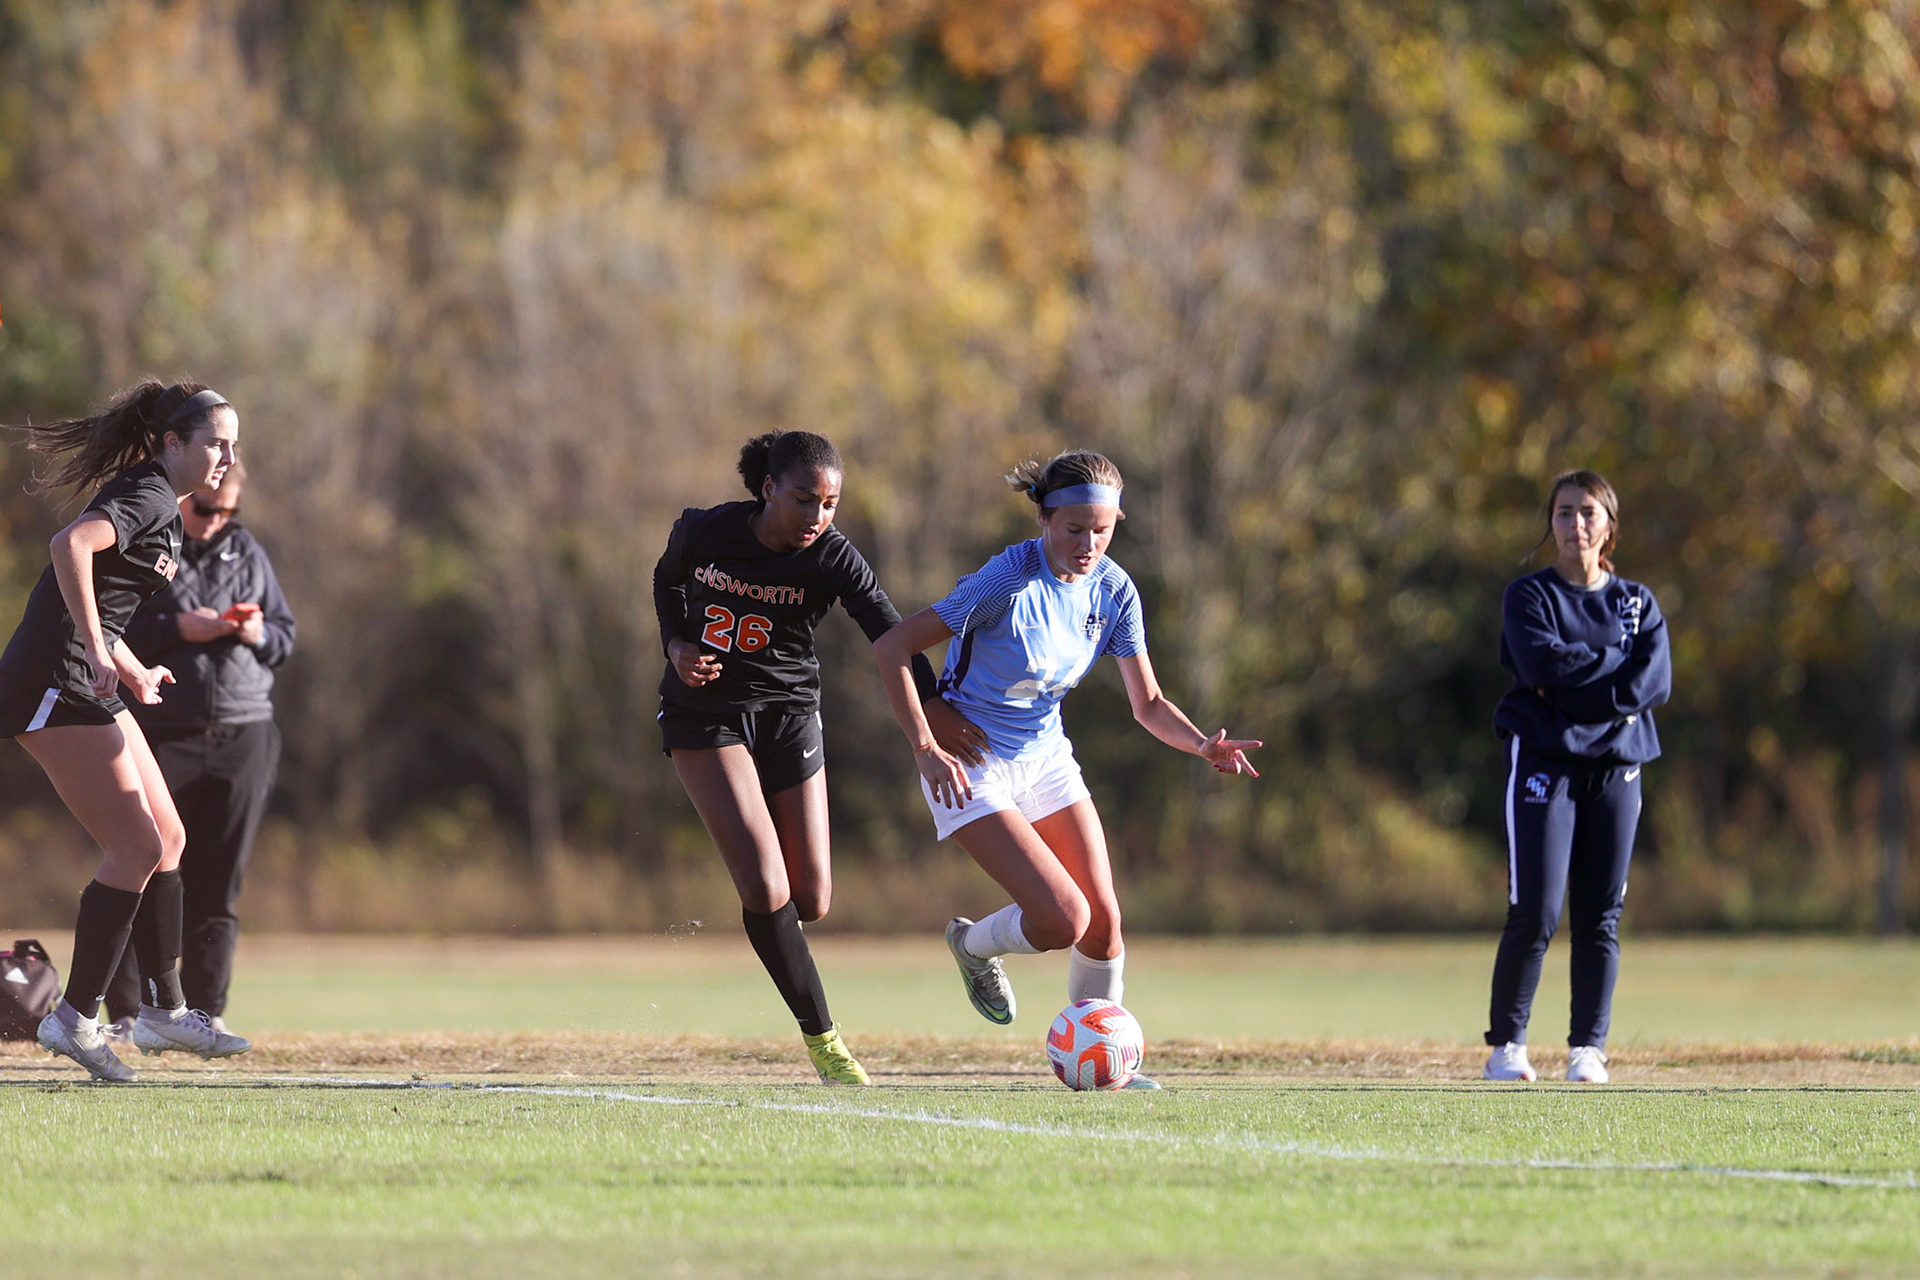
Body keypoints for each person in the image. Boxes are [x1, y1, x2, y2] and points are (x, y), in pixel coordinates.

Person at [873, 449, 1261, 1089]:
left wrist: (1200, 746)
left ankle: (1106, 1058)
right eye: (1073, 528)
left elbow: (1149, 704)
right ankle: (972, 947)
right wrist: (924, 744)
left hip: (1046, 757)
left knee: (1103, 923)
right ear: (1045, 520)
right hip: (971, 764)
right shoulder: (1007, 580)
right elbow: (893, 648)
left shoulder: (1115, 590)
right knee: (1061, 920)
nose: (1088, 544)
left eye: (1102, 529)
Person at [653, 430, 982, 1085]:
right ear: (768, 487)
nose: (817, 517)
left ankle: (765, 914)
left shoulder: (834, 558)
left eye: (830, 504)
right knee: (767, 887)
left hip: (790, 718)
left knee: (811, 899)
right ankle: (825, 1041)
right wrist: (677, 647)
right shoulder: (702, 532)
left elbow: (892, 634)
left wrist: (935, 707)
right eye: (804, 499)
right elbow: (666, 583)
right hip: (705, 716)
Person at [1, 379, 253, 1081]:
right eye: (215, 443)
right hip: (52, 682)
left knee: (168, 837)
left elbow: (105, 609)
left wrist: (133, 667)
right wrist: (92, 642)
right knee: (136, 845)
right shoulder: (146, 495)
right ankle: (73, 1019)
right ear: (173, 443)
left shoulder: (163, 506)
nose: (227, 456)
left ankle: (162, 1011)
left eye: (233, 445)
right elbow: (69, 547)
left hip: (89, 674)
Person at [1482, 469, 1671, 1084]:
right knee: (1534, 909)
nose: (1575, 524)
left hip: (1617, 766)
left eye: (1588, 512)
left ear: (1609, 526)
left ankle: (1588, 1049)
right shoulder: (1529, 597)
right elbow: (1541, 663)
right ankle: (1507, 1046)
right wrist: (1612, 675)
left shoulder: (1637, 602)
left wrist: (1576, 682)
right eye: (1564, 513)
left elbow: (1655, 681)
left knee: (1600, 915)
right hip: (1544, 761)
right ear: (1551, 524)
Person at [100, 460, 294, 1037]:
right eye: (206, 510)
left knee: (219, 880)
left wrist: (253, 630)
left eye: (228, 512)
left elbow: (284, 636)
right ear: (185, 502)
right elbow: (113, 627)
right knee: (144, 857)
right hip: (166, 729)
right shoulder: (154, 542)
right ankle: (127, 1015)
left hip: (244, 731)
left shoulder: (248, 552)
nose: (216, 522)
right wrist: (181, 628)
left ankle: (204, 1013)